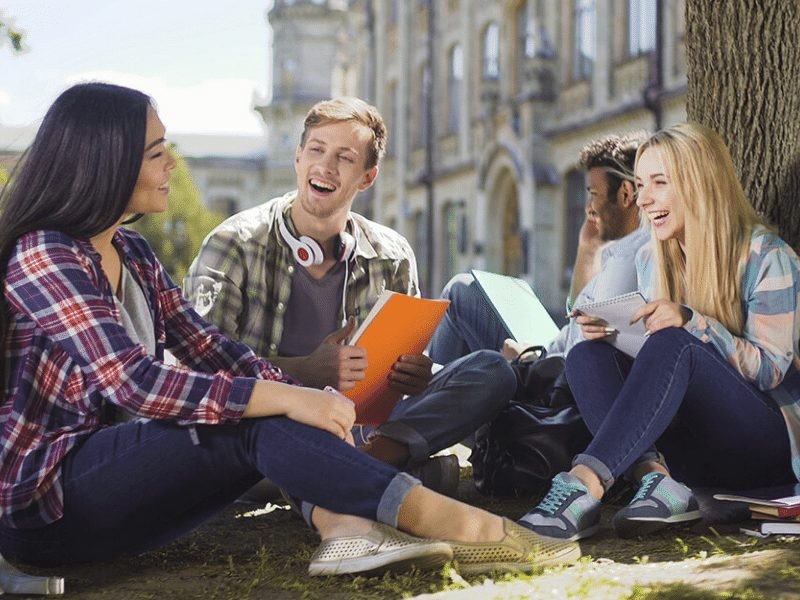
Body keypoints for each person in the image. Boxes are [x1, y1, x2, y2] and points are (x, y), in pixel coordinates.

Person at [0, 83, 584, 577]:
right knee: (253, 417)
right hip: (49, 510)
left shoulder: (130, 250)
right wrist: (291, 391)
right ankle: (459, 524)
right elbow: (136, 383)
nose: (171, 165)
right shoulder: (45, 255)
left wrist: (307, 400)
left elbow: (210, 349)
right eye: (157, 153)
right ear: (109, 161)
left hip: (127, 495)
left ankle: (352, 529)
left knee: (268, 410)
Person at [184, 97, 514, 497]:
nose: (325, 165)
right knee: (244, 446)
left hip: (365, 424)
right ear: (298, 159)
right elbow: (198, 374)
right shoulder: (232, 243)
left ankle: (367, 463)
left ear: (367, 177)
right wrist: (306, 371)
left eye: (344, 157)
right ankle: (379, 470)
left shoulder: (392, 252)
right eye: (317, 150)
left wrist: (417, 376)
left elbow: (405, 366)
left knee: (492, 370)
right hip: (270, 422)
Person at [518, 122, 800, 541]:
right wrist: (615, 336)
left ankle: (583, 483)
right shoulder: (654, 259)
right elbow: (662, 370)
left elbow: (771, 371)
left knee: (676, 343)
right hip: (689, 453)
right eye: (640, 184)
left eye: (659, 183)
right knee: (587, 354)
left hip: (762, 445)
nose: (644, 199)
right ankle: (657, 481)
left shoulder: (767, 256)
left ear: (698, 184)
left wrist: (693, 322)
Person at [427, 131, 650, 365]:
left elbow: (582, 357)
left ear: (625, 194)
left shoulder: (632, 261)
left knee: (460, 292)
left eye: (594, 194)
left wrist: (529, 360)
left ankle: (428, 397)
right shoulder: (620, 252)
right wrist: (588, 249)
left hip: (549, 374)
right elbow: (577, 316)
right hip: (550, 351)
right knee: (466, 290)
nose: (588, 208)